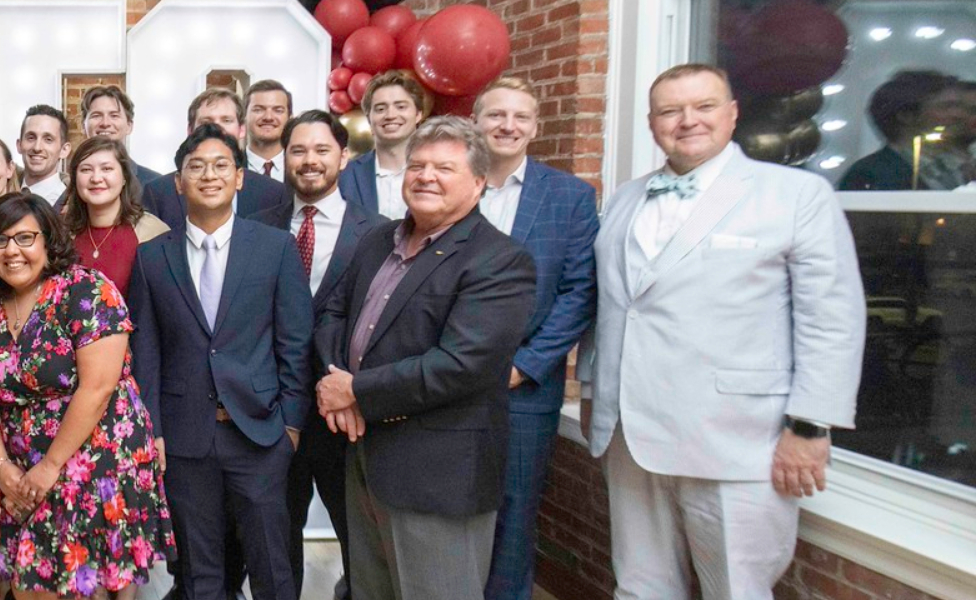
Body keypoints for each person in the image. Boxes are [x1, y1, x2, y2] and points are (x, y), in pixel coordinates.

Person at [587, 64, 865, 600]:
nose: (687, 120)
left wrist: (810, 427)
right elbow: (614, 306)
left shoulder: (795, 194)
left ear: (732, 113)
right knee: (640, 587)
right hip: (629, 434)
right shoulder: (625, 199)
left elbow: (830, 317)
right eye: (671, 110)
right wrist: (598, 393)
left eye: (704, 106)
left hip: (738, 438)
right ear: (652, 124)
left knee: (736, 590)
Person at [312, 116, 536, 598]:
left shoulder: (499, 260)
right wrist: (338, 378)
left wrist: (355, 392)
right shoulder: (379, 239)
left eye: (443, 167)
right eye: (417, 165)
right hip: (365, 458)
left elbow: (461, 365)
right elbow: (333, 310)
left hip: (438, 475)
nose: (426, 176)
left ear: (478, 182)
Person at [128, 123, 313, 600]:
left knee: (273, 567)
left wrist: (290, 427)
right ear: (178, 181)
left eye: (220, 165)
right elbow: (146, 352)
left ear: (239, 178)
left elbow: (294, 343)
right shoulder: (151, 258)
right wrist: (154, 431)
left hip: (259, 434)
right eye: (196, 166)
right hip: (185, 439)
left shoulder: (274, 247)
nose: (208, 175)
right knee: (198, 574)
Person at [0, 194, 175, 599]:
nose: (12, 251)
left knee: (89, 587)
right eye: (0, 241)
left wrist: (51, 466)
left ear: (48, 241)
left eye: (25, 237)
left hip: (94, 458)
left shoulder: (86, 290)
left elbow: (98, 388)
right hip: (22, 469)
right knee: (30, 586)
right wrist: (2, 466)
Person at [468, 78, 601, 600]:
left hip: (524, 390)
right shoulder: (454, 184)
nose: (508, 125)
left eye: (520, 117)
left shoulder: (568, 196)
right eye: (495, 114)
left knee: (514, 518)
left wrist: (526, 364)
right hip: (446, 385)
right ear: (475, 123)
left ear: (535, 127)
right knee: (450, 516)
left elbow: (580, 292)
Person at [248, 109, 388, 599]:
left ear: (344, 156)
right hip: (271, 410)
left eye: (322, 150)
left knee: (357, 533)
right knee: (273, 535)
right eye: (299, 150)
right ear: (284, 157)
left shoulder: (379, 233)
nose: (310, 161)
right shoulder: (254, 228)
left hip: (344, 411)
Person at [140, 87, 290, 228]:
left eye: (226, 120)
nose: (216, 128)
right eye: (207, 122)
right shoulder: (158, 193)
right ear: (190, 130)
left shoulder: (273, 193)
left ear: (242, 129)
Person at [59, 135, 171, 294]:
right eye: (86, 170)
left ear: (124, 177)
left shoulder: (152, 232)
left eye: (106, 169)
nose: (96, 178)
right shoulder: (62, 233)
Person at [839, 70, 959, 191]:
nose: (957, 115)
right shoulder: (870, 174)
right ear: (906, 116)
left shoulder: (953, 168)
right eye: (945, 107)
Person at [338, 71, 430, 219]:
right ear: (369, 118)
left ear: (418, 114)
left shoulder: (438, 172)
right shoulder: (344, 175)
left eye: (401, 107)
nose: (390, 115)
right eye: (380, 109)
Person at [81, 85, 162, 181]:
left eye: (114, 115)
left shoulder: (154, 183)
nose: (105, 123)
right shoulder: (70, 185)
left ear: (129, 126)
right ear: (83, 126)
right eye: (96, 115)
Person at [17, 105, 73, 205]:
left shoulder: (73, 204)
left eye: (48, 139)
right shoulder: (3, 193)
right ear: (19, 145)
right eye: (31, 138)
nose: (37, 147)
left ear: (64, 150)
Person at [245, 80, 294, 181]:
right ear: (243, 116)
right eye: (258, 109)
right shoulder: (230, 166)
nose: (268, 117)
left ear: (290, 118)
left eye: (278, 110)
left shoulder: (301, 166)